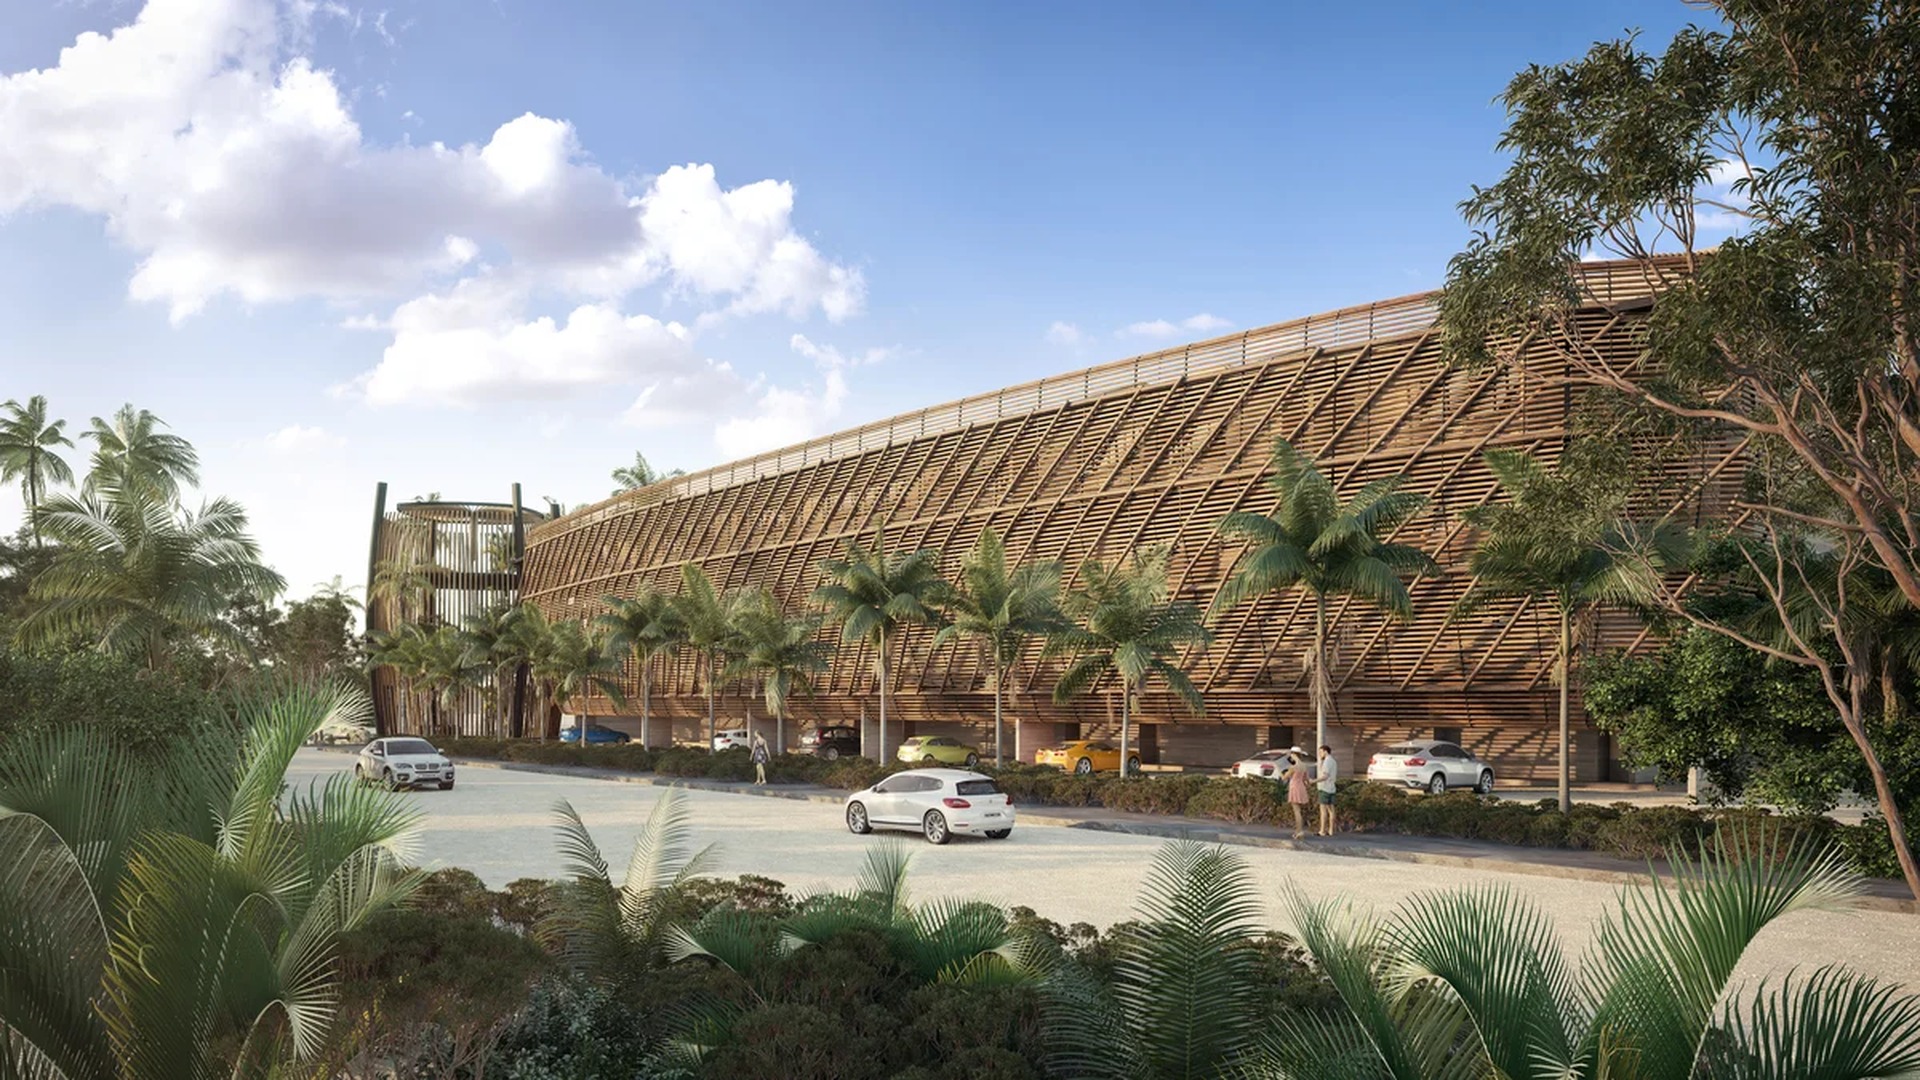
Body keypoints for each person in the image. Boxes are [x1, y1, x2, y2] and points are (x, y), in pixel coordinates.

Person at [1282, 747, 1312, 839]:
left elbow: (1284, 777)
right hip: (1301, 787)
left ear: (1294, 754)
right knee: (1299, 811)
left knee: (1297, 811)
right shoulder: (1304, 766)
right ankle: (1298, 831)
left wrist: (1281, 773)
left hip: (1294, 787)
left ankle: (1299, 831)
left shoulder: (1293, 767)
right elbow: (1306, 779)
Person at [1315, 744, 1339, 836]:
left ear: (1325, 751)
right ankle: (1331, 830)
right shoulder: (1333, 761)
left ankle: (1322, 830)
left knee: (1323, 810)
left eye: (1320, 752)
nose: (1319, 754)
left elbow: (1325, 776)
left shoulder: (1327, 762)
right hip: (1332, 788)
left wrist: (1314, 781)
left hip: (1324, 788)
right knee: (1331, 810)